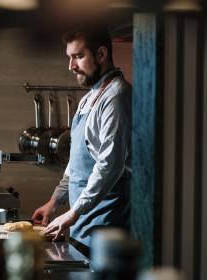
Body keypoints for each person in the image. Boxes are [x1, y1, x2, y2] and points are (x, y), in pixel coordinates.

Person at [32, 25, 132, 256]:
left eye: (78, 56)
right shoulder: (89, 98)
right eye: (70, 57)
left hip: (106, 226)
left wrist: (71, 214)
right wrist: (55, 201)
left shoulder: (117, 97)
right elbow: (76, 163)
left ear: (101, 54)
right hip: (82, 225)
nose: (71, 66)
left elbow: (109, 166)